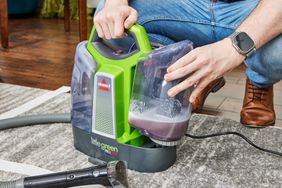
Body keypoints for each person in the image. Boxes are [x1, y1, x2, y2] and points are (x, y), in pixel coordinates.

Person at [93, 0, 282, 127]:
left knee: (277, 51)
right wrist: (115, 2)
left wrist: (234, 48)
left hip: (254, 9)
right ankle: (192, 70)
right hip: (186, 6)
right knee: (111, 18)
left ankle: (260, 81)